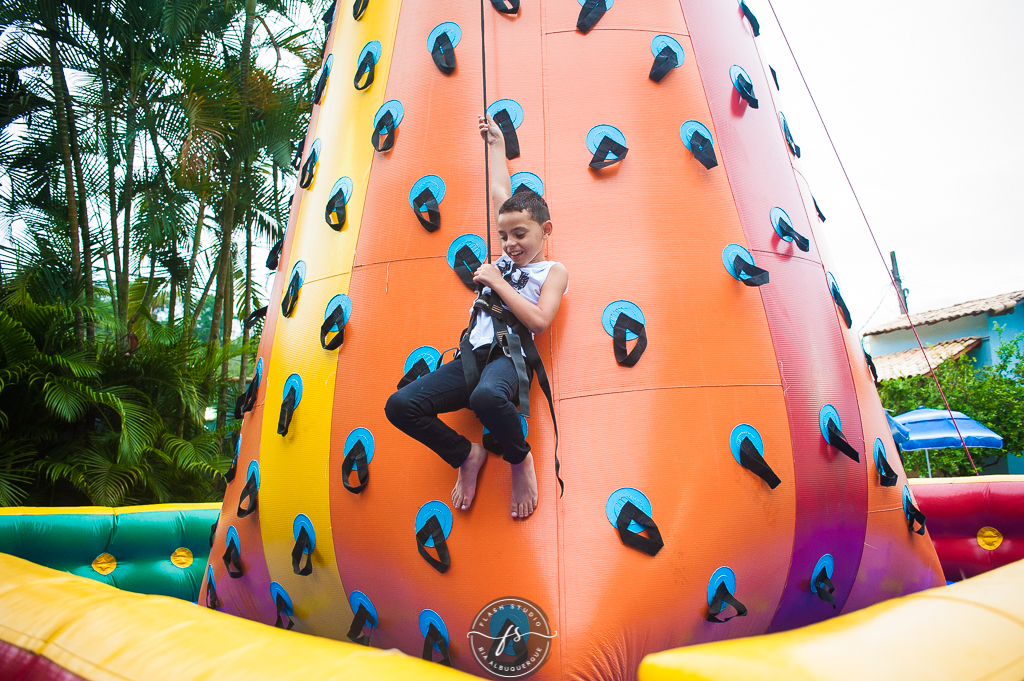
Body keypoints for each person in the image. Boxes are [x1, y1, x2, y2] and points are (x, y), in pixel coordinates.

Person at [384, 115, 569, 519]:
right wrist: (497, 146)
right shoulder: (503, 256)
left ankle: (520, 459)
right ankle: (466, 454)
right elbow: (500, 194)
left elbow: (539, 321)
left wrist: (497, 282)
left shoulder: (551, 272)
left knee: (486, 397)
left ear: (545, 230)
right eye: (505, 236)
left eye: (521, 234)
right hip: (472, 354)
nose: (510, 243)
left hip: (508, 356)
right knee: (400, 406)